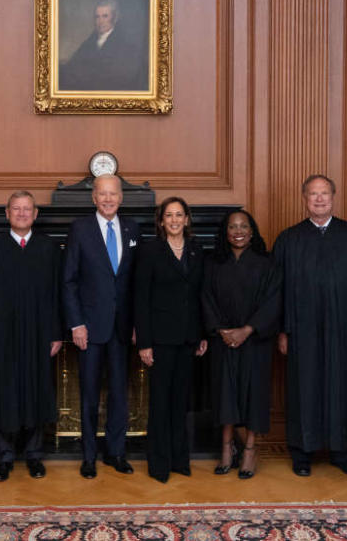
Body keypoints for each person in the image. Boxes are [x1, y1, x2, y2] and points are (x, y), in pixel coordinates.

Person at [273, 174, 347, 477]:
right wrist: (283, 330)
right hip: (302, 330)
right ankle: (302, 453)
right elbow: (278, 291)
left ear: (334, 197)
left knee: (344, 386)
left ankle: (342, 452)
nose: (319, 199)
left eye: (324, 193)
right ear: (304, 199)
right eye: (313, 194)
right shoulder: (289, 239)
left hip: (344, 328)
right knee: (302, 387)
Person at [0, 191, 62, 482]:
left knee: (36, 392)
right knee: (2, 394)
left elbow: (58, 295)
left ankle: (33, 455)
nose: (22, 213)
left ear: (35, 214)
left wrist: (57, 333)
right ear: (7, 213)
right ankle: (4, 457)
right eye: (16, 209)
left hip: (38, 336)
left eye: (27, 209)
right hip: (1, 337)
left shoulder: (49, 249)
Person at [62, 174, 140, 478]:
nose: (108, 199)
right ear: (94, 198)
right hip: (90, 329)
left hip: (122, 328)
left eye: (113, 194)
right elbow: (68, 281)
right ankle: (89, 456)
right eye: (102, 194)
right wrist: (76, 323)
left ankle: (116, 452)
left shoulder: (133, 228)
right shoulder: (80, 229)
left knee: (120, 393)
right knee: (90, 395)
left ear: (121, 197)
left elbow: (136, 283)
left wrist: (138, 324)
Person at [201, 209, 281, 479]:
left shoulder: (266, 262)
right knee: (225, 395)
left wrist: (247, 330)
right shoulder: (212, 262)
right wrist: (222, 330)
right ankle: (227, 448)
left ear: (252, 230)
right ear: (225, 232)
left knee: (253, 396)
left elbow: (274, 301)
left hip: (256, 341)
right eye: (233, 227)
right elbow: (205, 297)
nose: (238, 231)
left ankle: (249, 449)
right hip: (222, 341)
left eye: (243, 226)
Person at [133, 197, 208, 483]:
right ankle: (159, 463)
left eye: (180, 215)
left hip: (189, 338)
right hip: (160, 339)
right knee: (160, 402)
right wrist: (144, 342)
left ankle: (180, 459)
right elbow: (140, 297)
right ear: (161, 221)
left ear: (187, 219)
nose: (175, 220)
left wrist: (202, 334)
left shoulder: (196, 250)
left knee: (181, 402)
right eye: (169, 215)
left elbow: (200, 295)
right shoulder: (150, 250)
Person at [58, 0, 147, 92]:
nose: (100, 21)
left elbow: (118, 77)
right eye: (97, 17)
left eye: (105, 16)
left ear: (115, 18)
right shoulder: (90, 42)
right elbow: (74, 64)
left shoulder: (124, 44)